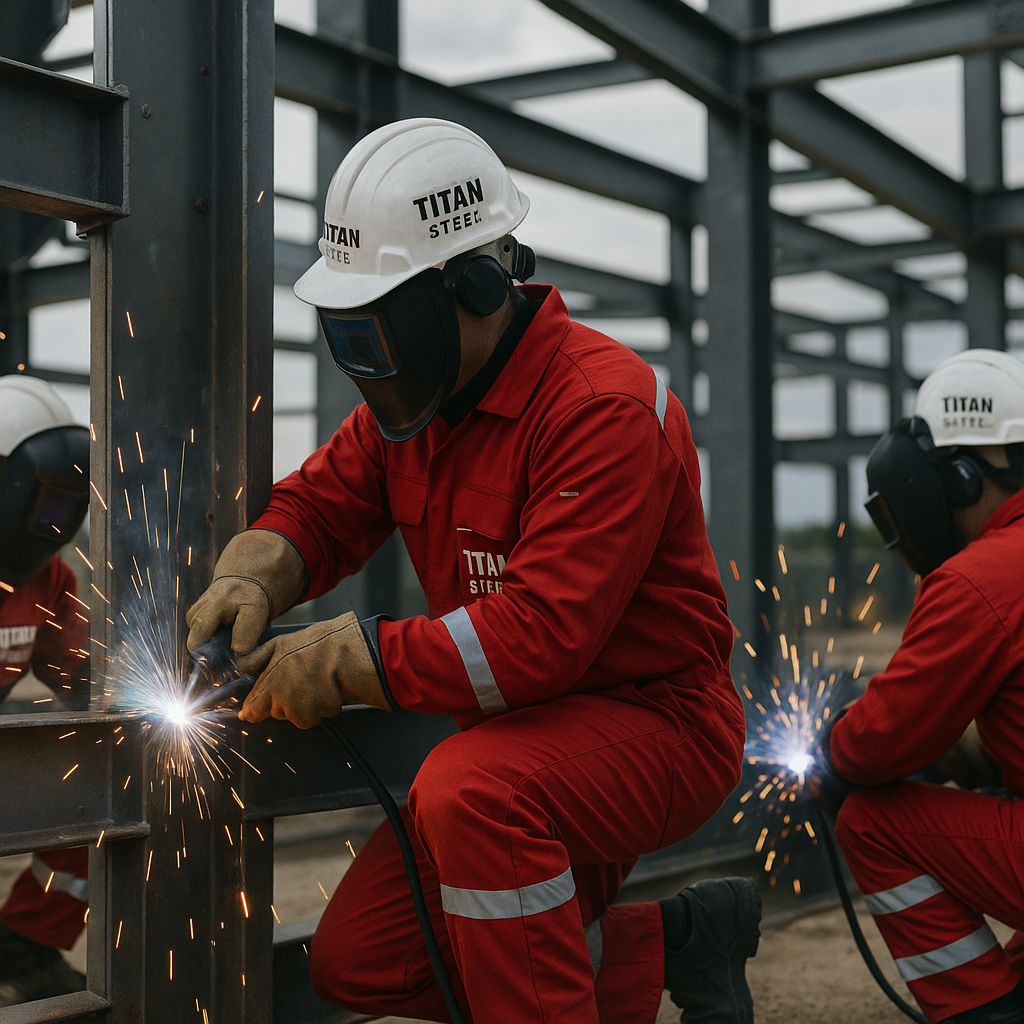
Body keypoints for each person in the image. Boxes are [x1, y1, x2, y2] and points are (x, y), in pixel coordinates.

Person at [186, 118, 760, 1024]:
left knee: (472, 793)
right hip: (518, 744)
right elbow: (321, 507)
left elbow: (538, 640)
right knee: (362, 963)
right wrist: (257, 573)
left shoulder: (602, 408)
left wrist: (344, 659)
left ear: (477, 286)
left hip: (656, 727)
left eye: (381, 328)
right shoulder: (421, 404)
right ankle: (681, 942)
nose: (365, 358)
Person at [813, 349, 1024, 1024]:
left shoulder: (981, 577)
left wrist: (831, 747)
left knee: (872, 821)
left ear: (961, 478)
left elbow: (877, 744)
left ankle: (982, 1012)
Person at [0, 375, 91, 1006]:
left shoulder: (49, 577)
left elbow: (83, 679)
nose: (52, 524)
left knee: (107, 775)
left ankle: (26, 946)